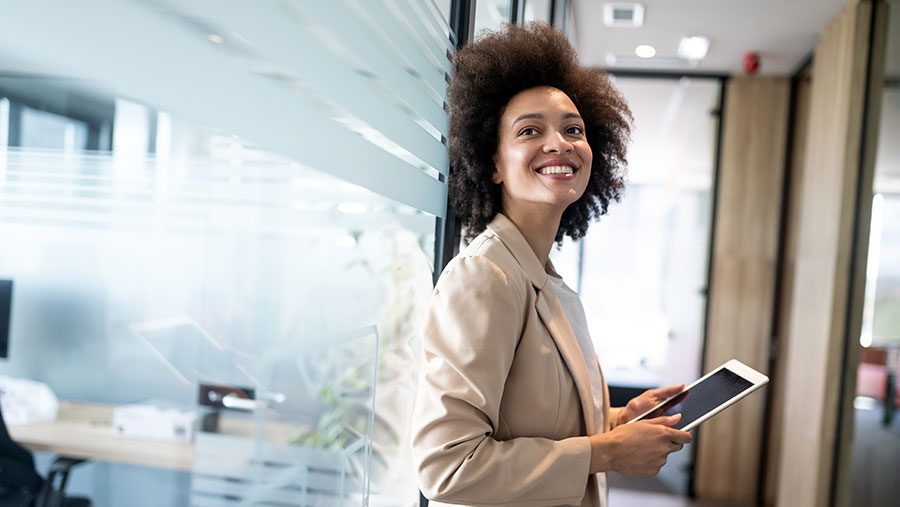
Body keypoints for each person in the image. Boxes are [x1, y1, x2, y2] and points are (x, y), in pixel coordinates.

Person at [411, 23, 693, 507]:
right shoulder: (485, 276)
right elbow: (447, 466)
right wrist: (605, 452)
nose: (559, 143)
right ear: (493, 162)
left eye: (573, 129)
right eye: (529, 131)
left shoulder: (542, 275)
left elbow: (534, 422)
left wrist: (618, 421)